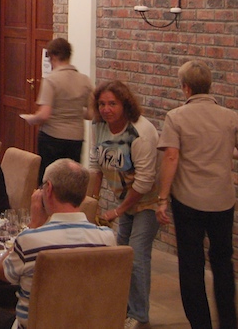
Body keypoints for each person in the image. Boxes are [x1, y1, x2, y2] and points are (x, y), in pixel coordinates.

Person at [156, 60, 238, 329]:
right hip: (223, 201)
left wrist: (162, 199)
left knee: (191, 264)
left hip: (188, 201)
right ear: (209, 85)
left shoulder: (176, 117)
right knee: (223, 262)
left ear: (185, 87)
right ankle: (229, 323)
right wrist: (227, 151)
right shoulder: (229, 117)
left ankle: (200, 324)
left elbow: (171, 157)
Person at [0, 159, 117, 329]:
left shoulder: (31, 240)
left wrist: (34, 224)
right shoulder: (107, 239)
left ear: (48, 189)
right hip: (87, 324)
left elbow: (2, 272)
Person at [88, 80, 160, 329]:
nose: (106, 109)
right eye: (102, 104)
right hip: (124, 199)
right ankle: (124, 308)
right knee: (122, 255)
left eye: (112, 104)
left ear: (125, 104)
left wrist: (118, 211)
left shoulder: (141, 133)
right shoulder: (99, 126)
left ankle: (140, 316)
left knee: (137, 256)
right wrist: (93, 202)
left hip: (148, 201)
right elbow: (95, 165)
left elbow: (145, 182)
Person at [24, 37, 93, 183]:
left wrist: (31, 119)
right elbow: (91, 114)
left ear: (53, 56)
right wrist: (73, 110)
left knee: (49, 181)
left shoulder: (51, 80)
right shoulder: (85, 80)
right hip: (76, 138)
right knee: (71, 181)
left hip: (52, 138)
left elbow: (44, 115)